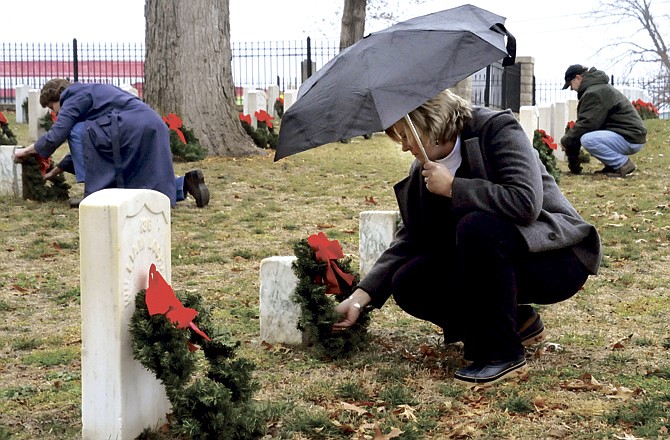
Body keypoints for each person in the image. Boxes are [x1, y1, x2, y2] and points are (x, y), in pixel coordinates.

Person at [333, 89, 602, 386]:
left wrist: (454, 188)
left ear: (427, 124)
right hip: (493, 264)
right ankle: (518, 322)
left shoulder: (495, 129)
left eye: (405, 136)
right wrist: (359, 298)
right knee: (410, 281)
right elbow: (412, 238)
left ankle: (500, 354)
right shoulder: (423, 171)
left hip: (553, 256)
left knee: (477, 226)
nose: (404, 147)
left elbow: (526, 203)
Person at [13, 78, 209, 207]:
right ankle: (185, 184)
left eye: (51, 106)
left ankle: (92, 197)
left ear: (57, 97)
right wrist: (56, 171)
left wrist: (27, 151)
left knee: (77, 130)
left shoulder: (71, 96)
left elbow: (58, 135)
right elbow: (87, 148)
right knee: (142, 180)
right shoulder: (91, 89)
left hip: (129, 128)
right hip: (151, 124)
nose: (54, 112)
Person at [560, 64, 647, 178]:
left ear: (578, 78)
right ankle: (612, 166)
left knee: (588, 140)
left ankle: (622, 164)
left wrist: (566, 141)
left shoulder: (594, 93)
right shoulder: (598, 88)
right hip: (629, 135)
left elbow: (587, 124)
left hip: (630, 137)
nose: (571, 88)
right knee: (591, 136)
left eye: (570, 84)